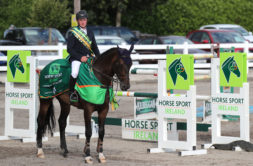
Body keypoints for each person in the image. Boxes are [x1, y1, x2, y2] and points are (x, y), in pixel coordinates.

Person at [67, 10, 100, 102]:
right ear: (78, 21)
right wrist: (80, 57)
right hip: (77, 58)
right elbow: (69, 49)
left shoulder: (90, 32)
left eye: (84, 19)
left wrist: (99, 57)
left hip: (89, 57)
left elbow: (94, 47)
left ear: (87, 20)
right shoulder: (73, 32)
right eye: (81, 20)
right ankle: (71, 92)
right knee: (75, 72)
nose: (82, 21)